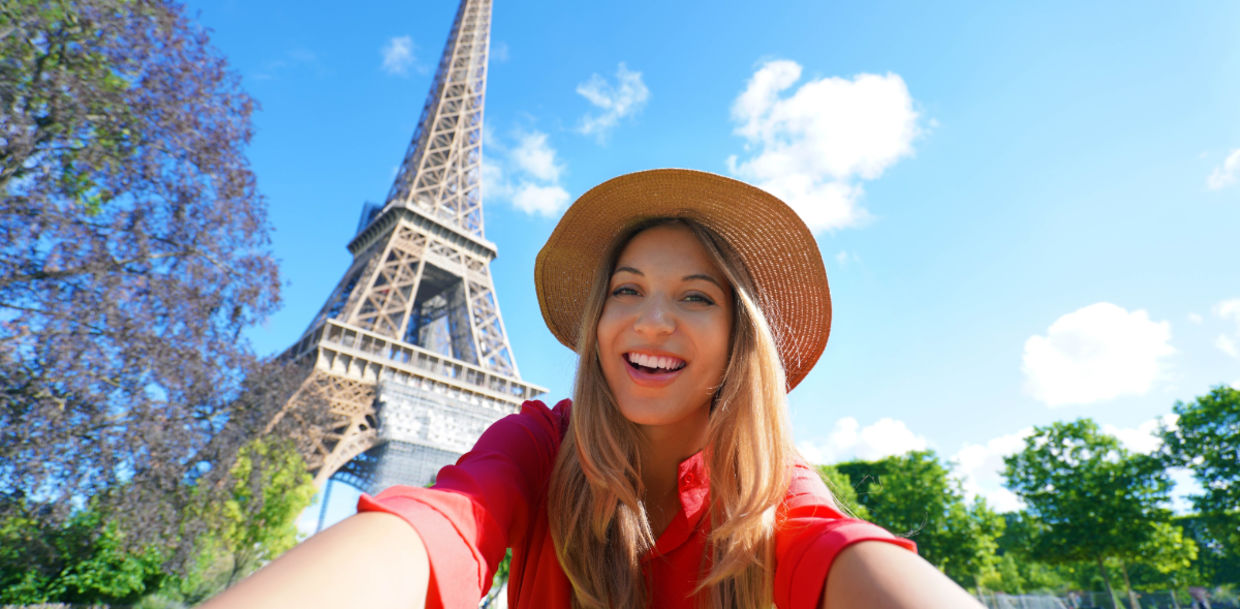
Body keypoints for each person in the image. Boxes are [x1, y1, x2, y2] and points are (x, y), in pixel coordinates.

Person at [202, 168, 984, 609]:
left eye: (696, 297)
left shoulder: (770, 489)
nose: (651, 321)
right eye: (626, 289)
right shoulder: (538, 445)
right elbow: (439, 525)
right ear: (597, 318)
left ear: (741, 340)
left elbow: (840, 550)